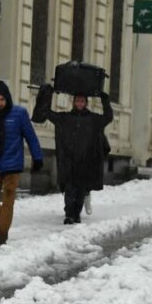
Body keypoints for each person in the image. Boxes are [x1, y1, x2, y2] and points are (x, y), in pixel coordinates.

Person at [0, 81, 43, 246]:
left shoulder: (19, 114)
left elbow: (31, 137)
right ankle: (3, 221)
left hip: (13, 164)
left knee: (9, 198)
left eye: (2, 100)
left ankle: (1, 236)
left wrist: (37, 157)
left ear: (7, 99)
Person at [32, 84, 113, 224]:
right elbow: (48, 113)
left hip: (85, 161)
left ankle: (77, 213)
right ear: (73, 102)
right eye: (77, 101)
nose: (79, 103)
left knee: (81, 190)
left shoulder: (93, 119)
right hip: (68, 161)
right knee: (69, 189)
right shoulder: (65, 118)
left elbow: (108, 117)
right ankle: (69, 214)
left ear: (86, 103)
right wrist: (47, 94)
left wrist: (105, 100)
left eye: (82, 101)